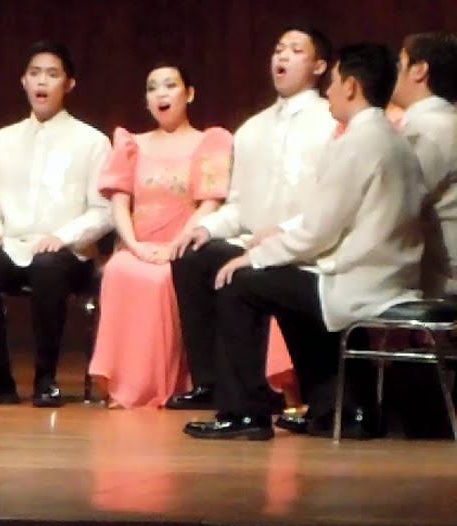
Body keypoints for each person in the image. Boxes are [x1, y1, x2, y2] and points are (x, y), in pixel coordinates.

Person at [185, 43, 426, 440]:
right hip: (386, 274)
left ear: (351, 86)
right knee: (283, 282)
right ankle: (340, 409)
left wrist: (255, 256)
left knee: (240, 284)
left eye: (333, 82)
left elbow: (318, 231)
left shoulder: (359, 142)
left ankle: (244, 413)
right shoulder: (391, 138)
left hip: (359, 282)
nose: (328, 91)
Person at [168, 26, 337, 410]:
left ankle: (253, 397)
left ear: (319, 66)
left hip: (305, 247)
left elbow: (331, 208)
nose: (282, 56)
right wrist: (206, 227)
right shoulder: (251, 129)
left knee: (243, 279)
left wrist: (283, 231)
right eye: (278, 49)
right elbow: (238, 207)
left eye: (296, 50)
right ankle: (211, 383)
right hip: (252, 242)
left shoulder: (330, 125)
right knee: (193, 256)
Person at [0, 40, 112, 406]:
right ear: (24, 81)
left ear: (69, 84)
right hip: (12, 244)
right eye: (35, 73)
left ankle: (46, 377)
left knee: (48, 267)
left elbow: (103, 211)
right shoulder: (1, 141)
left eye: (52, 74)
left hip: (68, 253)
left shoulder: (92, 141)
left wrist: (63, 236)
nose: (42, 81)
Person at [87, 63, 232, 408]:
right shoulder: (131, 144)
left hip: (181, 246)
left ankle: (165, 383)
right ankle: (121, 384)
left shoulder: (209, 142)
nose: (161, 94)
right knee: (118, 269)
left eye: (170, 85)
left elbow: (210, 202)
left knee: (166, 277)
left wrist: (175, 245)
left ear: (189, 94)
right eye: (153, 88)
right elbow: (119, 205)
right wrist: (134, 246)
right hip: (138, 246)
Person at [391, 31, 457, 297]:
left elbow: (390, 204)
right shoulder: (444, 122)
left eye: (399, 64)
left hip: (442, 283)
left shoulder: (429, 129)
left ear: (419, 69)